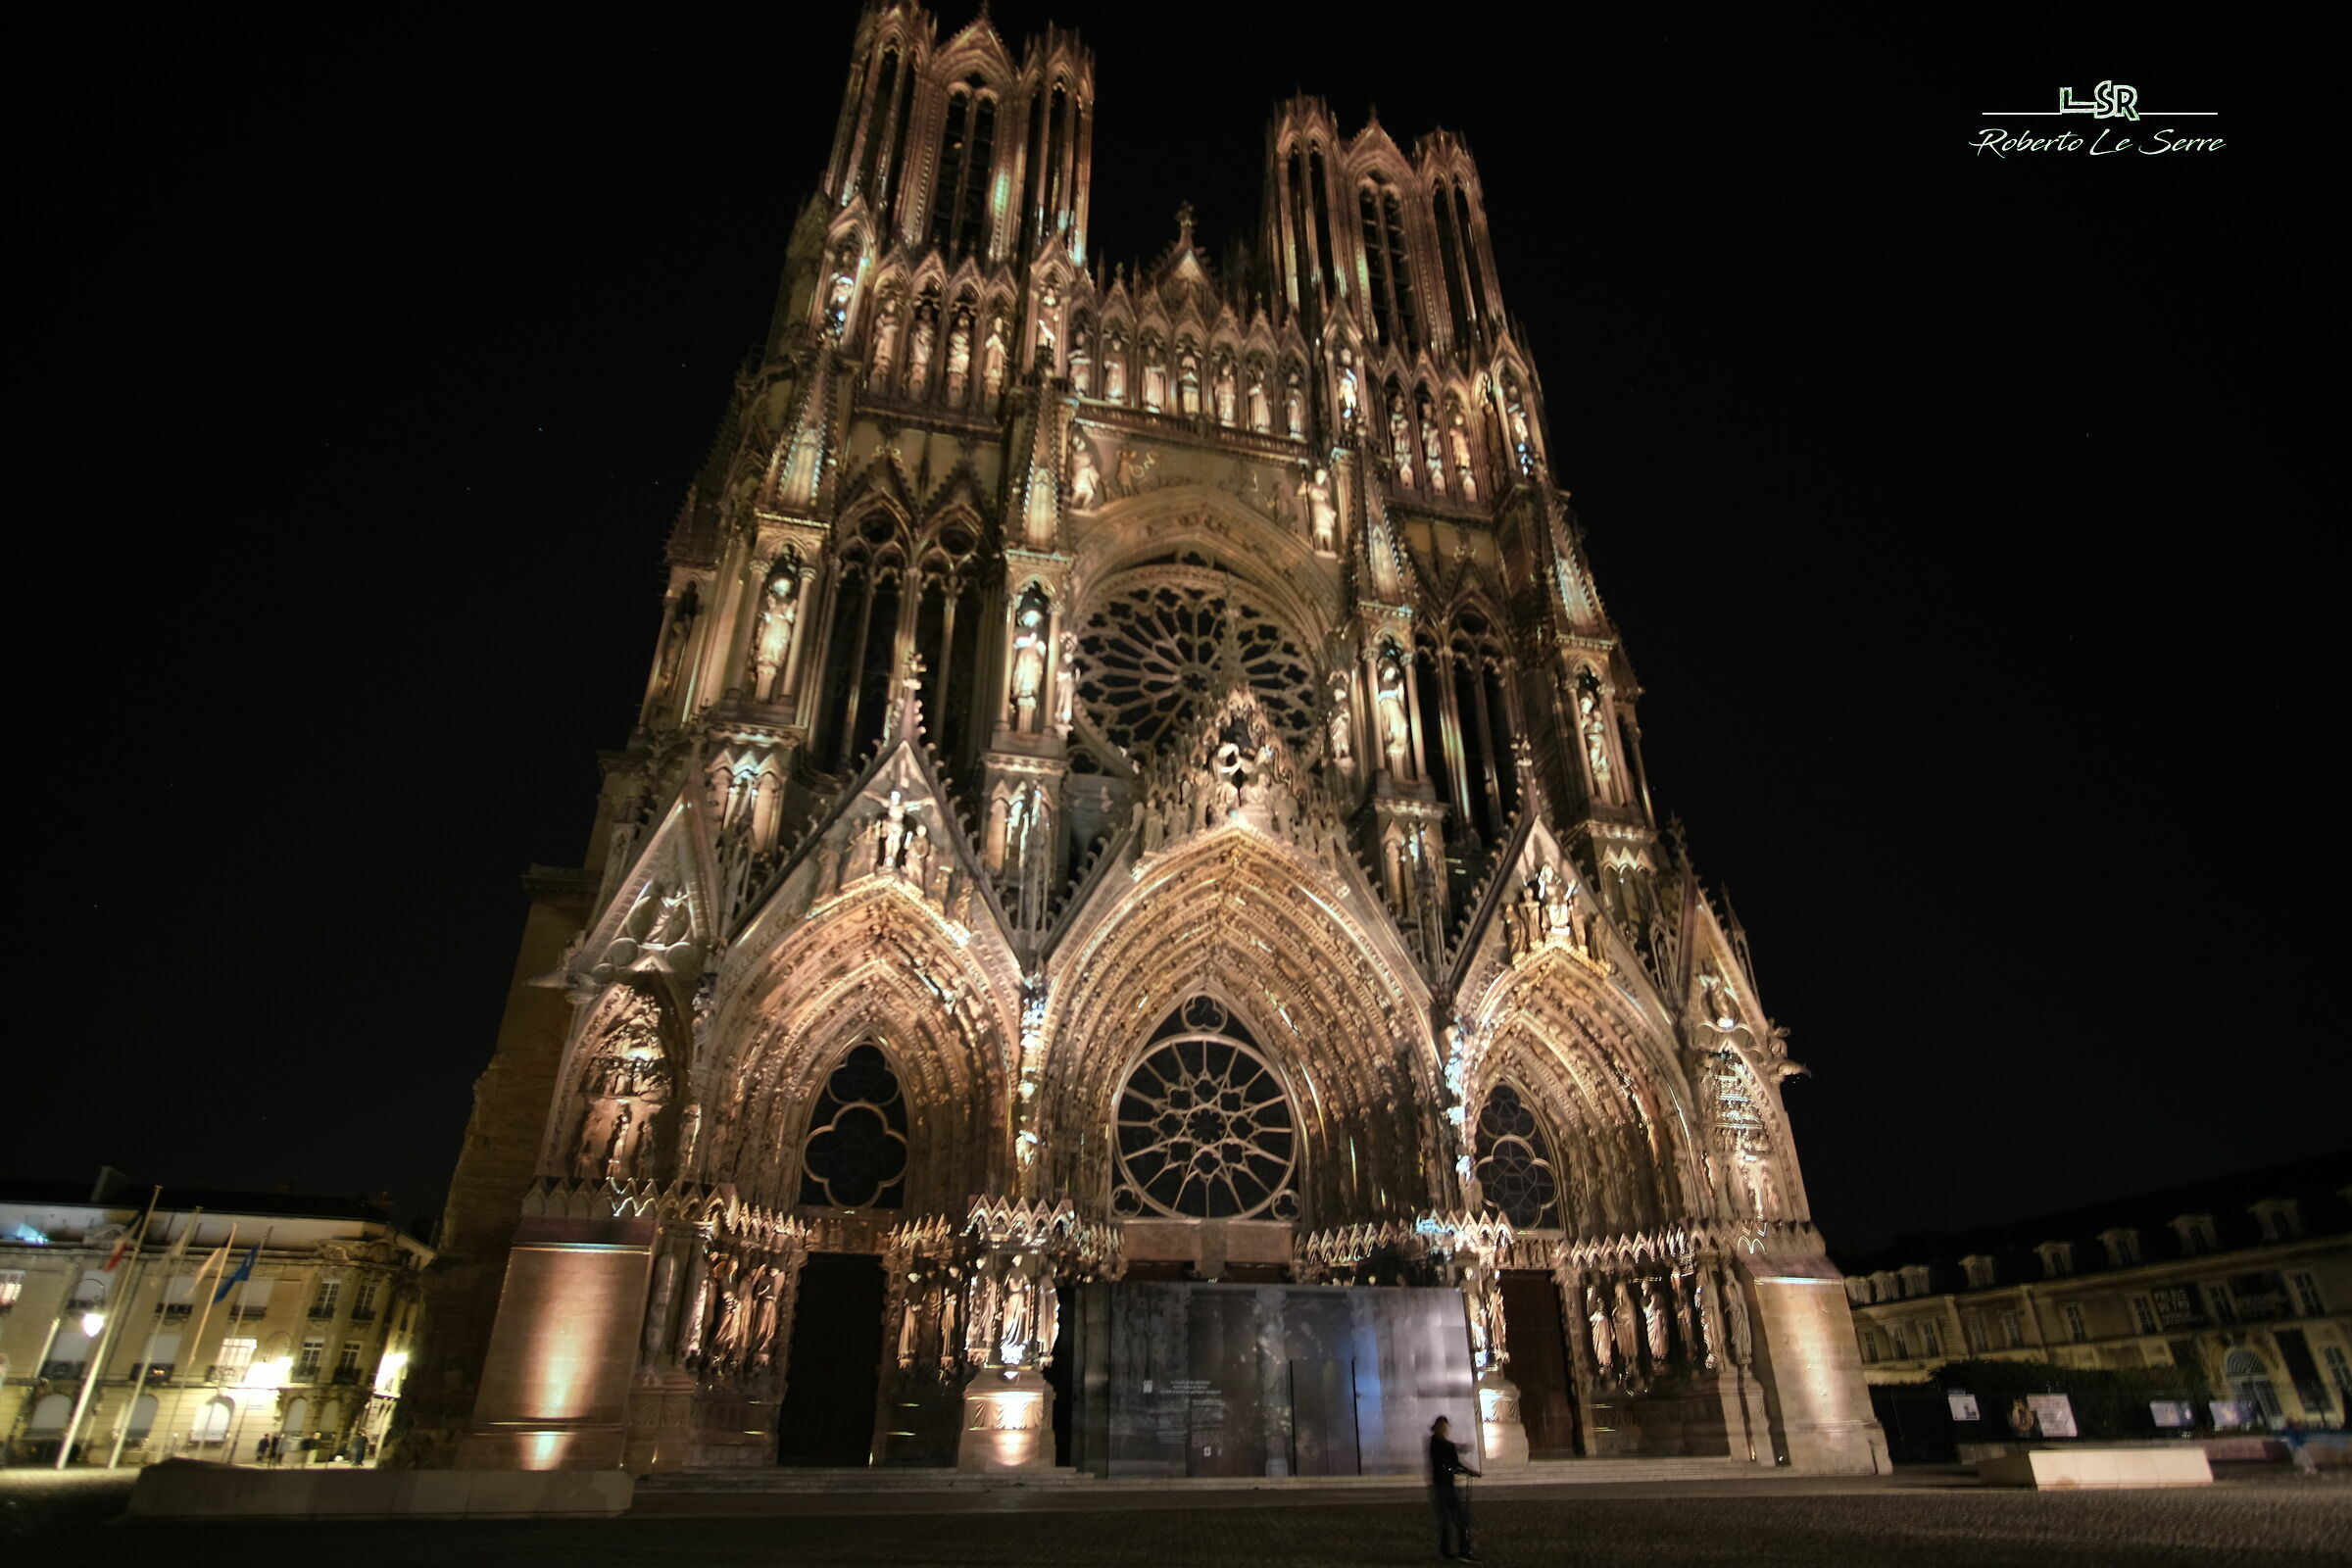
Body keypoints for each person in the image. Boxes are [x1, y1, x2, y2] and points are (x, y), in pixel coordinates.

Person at [1428, 1414, 1483, 1561]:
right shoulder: (1436, 1443)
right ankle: (1458, 1551)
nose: (1444, 1429)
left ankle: (1452, 1551)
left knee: (1455, 1519)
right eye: (1442, 1427)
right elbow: (1446, 1463)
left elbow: (1454, 1463)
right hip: (1442, 1487)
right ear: (1437, 1427)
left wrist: (1469, 1471)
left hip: (1447, 1486)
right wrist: (1459, 1449)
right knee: (1453, 1519)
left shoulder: (1444, 1444)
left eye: (1445, 1427)